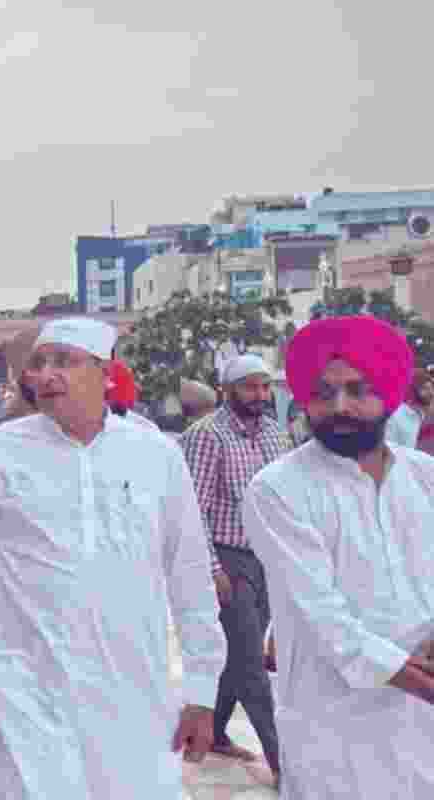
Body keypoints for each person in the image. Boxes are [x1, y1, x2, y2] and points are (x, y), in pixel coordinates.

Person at [0, 317, 227, 799]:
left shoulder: (156, 455)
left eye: (65, 362)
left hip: (133, 693)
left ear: (106, 374)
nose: (47, 375)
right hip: (26, 691)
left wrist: (202, 691)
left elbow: (191, 576)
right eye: (40, 363)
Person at [244, 316, 434, 800]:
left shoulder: (424, 476)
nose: (339, 407)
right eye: (324, 393)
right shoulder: (278, 489)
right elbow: (320, 615)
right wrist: (409, 676)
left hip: (422, 726)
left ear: (389, 393)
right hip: (334, 722)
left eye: (357, 389)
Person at [179, 353, 291, 780]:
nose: (260, 395)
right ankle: (288, 766)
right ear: (227, 390)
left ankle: (219, 733)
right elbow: (193, 511)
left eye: (265, 387)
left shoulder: (275, 435)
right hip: (227, 559)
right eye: (250, 386)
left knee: (234, 656)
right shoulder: (207, 436)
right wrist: (210, 568)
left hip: (266, 559)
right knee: (250, 665)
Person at [106, 359, 160, 431]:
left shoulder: (112, 369)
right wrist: (130, 404)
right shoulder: (126, 373)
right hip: (122, 404)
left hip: (114, 402)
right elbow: (131, 390)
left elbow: (107, 385)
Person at [385, 368, 428, 447]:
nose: (431, 393)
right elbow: (389, 448)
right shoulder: (395, 416)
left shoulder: (423, 416)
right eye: (425, 388)